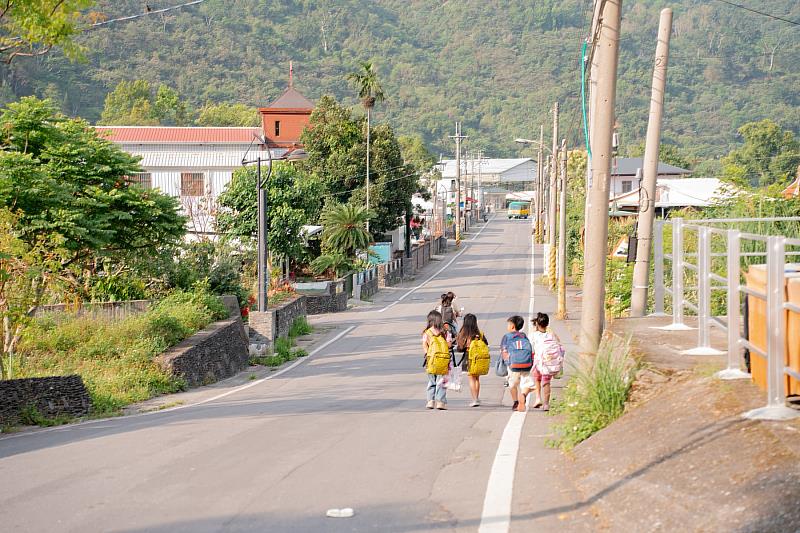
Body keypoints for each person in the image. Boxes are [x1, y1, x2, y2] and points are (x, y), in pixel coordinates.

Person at [527, 312, 564, 411]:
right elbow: (560, 346)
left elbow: (530, 348)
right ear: (547, 324)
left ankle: (538, 398)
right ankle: (546, 404)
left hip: (538, 362)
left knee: (537, 379)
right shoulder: (552, 335)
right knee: (546, 383)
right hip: (549, 363)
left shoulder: (533, 335)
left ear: (537, 324)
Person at [500, 315, 533, 412]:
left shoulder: (506, 337)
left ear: (512, 326)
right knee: (526, 383)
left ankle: (516, 402)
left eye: (509, 324)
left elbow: (504, 350)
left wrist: (507, 363)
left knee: (513, 384)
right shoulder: (524, 336)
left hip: (513, 365)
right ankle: (523, 395)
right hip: (526, 364)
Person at [456, 313, 488, 407]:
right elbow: (486, 344)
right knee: (477, 378)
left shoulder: (464, 335)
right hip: (479, 358)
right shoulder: (480, 334)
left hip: (469, 358)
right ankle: (477, 397)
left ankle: (474, 399)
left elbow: (460, 348)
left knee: (471, 379)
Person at [423, 310, 451, 410]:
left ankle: (430, 401)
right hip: (443, 360)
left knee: (431, 381)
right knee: (441, 381)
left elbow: (425, 346)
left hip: (431, 360)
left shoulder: (427, 332)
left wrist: (428, 355)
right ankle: (440, 402)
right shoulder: (445, 332)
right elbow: (449, 345)